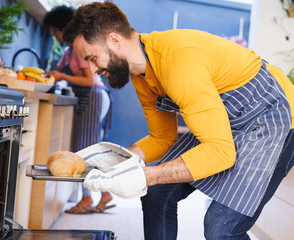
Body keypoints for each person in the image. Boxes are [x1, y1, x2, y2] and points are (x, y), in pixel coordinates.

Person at [62, 2, 294, 239]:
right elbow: (162, 138)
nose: (92, 69)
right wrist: (114, 159)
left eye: (92, 58)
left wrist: (143, 175)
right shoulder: (141, 76)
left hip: (274, 116)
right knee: (156, 194)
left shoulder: (177, 63)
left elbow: (220, 152)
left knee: (220, 229)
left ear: (114, 40)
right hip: (228, 122)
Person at [43, 6, 115, 214]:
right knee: (86, 148)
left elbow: (88, 81)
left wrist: (62, 77)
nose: (54, 36)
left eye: (55, 31)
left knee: (85, 150)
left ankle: (88, 198)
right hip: (90, 99)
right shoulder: (69, 51)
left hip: (92, 98)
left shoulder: (76, 48)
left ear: (64, 28)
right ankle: (103, 194)